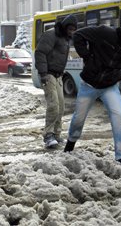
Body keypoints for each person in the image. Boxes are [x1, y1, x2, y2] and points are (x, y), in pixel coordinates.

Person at [64, 17, 121, 163]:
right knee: (79, 118)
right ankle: (70, 144)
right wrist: (86, 56)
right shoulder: (104, 32)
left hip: (110, 86)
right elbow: (78, 35)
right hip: (89, 83)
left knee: (119, 116)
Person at [34, 14, 77, 148]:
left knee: (61, 106)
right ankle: (48, 135)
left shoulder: (65, 39)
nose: (71, 32)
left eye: (73, 30)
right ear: (64, 27)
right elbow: (40, 53)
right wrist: (43, 73)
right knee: (53, 105)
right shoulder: (51, 35)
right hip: (48, 75)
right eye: (69, 29)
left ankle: (57, 134)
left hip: (58, 76)